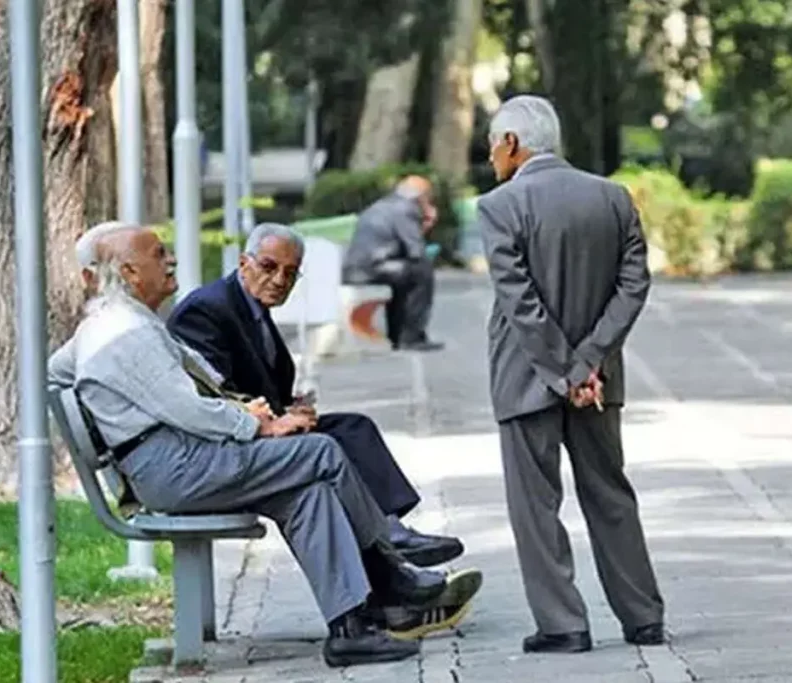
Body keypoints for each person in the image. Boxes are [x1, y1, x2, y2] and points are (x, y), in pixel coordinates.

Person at [47, 224, 474, 667]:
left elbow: (54, 373)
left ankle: (350, 629)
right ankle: (390, 570)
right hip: (173, 467)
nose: (170, 259)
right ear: (132, 273)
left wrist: (98, 413)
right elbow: (187, 408)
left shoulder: (112, 324)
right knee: (322, 451)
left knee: (307, 491)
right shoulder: (123, 333)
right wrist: (258, 428)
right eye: (159, 253)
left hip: (177, 460)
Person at [477, 95, 665, 653]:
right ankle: (644, 617)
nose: (491, 158)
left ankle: (563, 625)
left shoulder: (500, 206)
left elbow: (520, 302)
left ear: (511, 143)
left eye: (493, 145)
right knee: (611, 493)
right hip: (598, 381)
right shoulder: (611, 197)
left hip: (527, 375)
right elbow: (634, 286)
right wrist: (589, 363)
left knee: (536, 505)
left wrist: (563, 369)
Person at [166, 223, 465, 568]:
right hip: (228, 443)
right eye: (269, 267)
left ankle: (390, 532)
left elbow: (257, 380)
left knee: (354, 429)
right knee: (328, 455)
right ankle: (387, 548)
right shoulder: (207, 309)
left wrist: (292, 407)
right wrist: (276, 419)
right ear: (243, 263)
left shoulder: (252, 307)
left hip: (262, 426)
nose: (280, 280)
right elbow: (213, 392)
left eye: (291, 273)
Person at [341, 176, 443, 352]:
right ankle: (411, 336)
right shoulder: (405, 209)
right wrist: (428, 221)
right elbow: (416, 249)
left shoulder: (383, 205)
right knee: (421, 273)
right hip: (375, 268)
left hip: (359, 268)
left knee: (406, 277)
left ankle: (397, 335)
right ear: (422, 196)